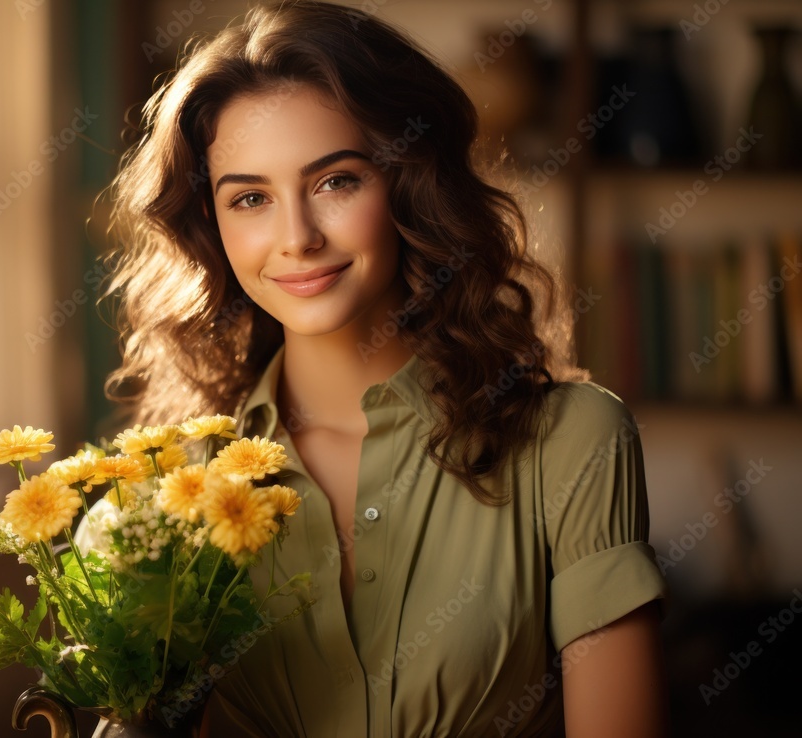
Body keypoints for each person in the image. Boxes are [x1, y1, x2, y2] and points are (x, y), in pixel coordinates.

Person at [104, 1, 670, 735]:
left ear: (409, 181)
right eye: (250, 198)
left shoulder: (574, 444)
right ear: (211, 223)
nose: (297, 237)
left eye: (335, 181)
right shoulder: (178, 484)